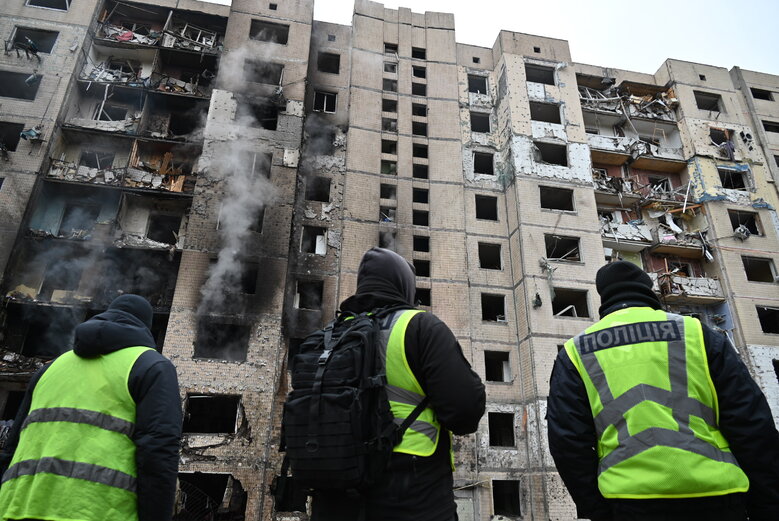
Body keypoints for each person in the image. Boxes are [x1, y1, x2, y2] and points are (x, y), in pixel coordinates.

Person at [547, 261, 779, 521]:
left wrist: (599, 511)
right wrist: (767, 505)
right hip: (718, 496)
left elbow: (568, 444)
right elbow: (751, 423)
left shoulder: (576, 352)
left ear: (604, 297)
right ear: (649, 290)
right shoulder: (698, 334)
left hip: (630, 502)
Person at [311, 247, 485, 521]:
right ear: (404, 286)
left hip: (334, 497)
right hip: (412, 494)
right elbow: (465, 412)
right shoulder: (419, 327)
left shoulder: (327, 339)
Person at [0, 294, 182, 521]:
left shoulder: (49, 369)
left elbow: (11, 446)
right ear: (146, 326)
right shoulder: (151, 366)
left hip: (17, 507)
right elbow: (158, 450)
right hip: (95, 510)